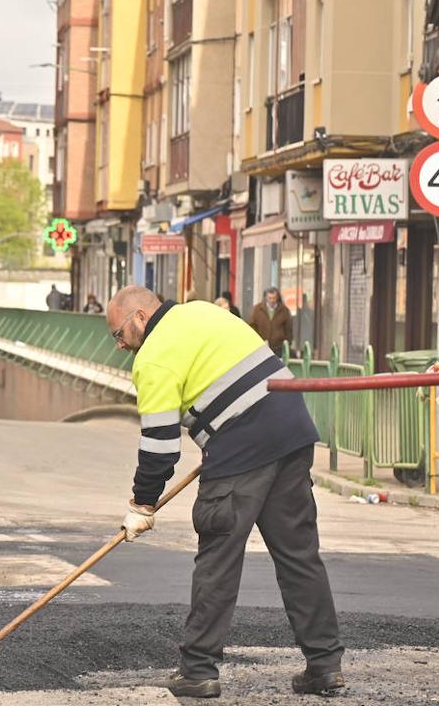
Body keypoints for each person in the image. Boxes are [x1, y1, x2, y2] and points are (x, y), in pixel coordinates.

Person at [105, 286, 343, 699]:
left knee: (218, 560)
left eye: (119, 334)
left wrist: (142, 503)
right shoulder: (202, 313)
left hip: (241, 448)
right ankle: (324, 667)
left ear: (141, 317)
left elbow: (160, 443)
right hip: (291, 429)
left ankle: (198, 671)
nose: (120, 344)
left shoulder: (154, 356)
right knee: (299, 555)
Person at [250, 287, 292, 355]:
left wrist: (287, 344)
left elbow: (288, 329)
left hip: (279, 348)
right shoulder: (257, 309)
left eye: (274, 298)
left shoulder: (284, 310)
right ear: (266, 297)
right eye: (270, 298)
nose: (272, 300)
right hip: (261, 346)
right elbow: (253, 326)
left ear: (277, 297)